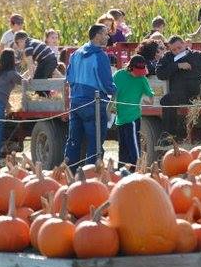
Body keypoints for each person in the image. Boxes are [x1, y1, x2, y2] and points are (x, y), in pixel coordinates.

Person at [64, 24, 116, 167]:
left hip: (75, 102)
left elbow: (69, 77)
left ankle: (69, 173)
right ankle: (91, 175)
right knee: (95, 142)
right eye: (105, 34)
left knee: (73, 141)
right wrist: (115, 91)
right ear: (97, 35)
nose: (107, 37)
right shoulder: (100, 56)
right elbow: (106, 83)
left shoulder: (76, 54)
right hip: (94, 103)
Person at [156, 35, 201, 131]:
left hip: (199, 92)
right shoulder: (168, 58)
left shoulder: (198, 55)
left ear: (184, 44)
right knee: (166, 100)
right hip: (181, 94)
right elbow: (160, 74)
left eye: (179, 48)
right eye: (174, 50)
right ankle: (169, 135)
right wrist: (177, 66)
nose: (177, 51)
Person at [111, 55, 154, 166]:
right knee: (122, 146)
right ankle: (122, 169)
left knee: (133, 145)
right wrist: (112, 106)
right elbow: (113, 93)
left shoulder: (142, 79)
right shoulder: (118, 75)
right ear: (130, 67)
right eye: (137, 71)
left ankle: (137, 168)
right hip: (120, 118)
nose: (139, 74)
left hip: (133, 117)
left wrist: (147, 102)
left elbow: (151, 98)